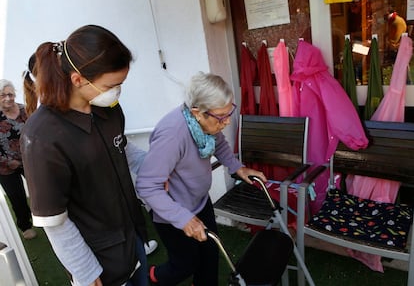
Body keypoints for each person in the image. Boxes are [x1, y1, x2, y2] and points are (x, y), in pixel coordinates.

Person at [20, 25, 149, 286]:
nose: (117, 92)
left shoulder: (108, 107)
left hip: (132, 237)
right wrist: (87, 273)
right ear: (78, 79)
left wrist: (158, 168)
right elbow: (55, 221)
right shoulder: (43, 136)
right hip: (97, 259)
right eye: (111, 85)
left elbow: (121, 147)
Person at [136, 72, 267, 286]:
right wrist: (183, 218)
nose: (225, 122)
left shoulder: (207, 124)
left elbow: (220, 144)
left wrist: (238, 168)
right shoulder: (173, 135)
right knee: (185, 264)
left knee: (209, 256)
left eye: (228, 113)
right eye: (221, 117)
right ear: (197, 112)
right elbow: (147, 186)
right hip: (173, 212)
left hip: (199, 201)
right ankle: (152, 277)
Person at [0, 79, 36, 240]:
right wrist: (8, 162)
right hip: (5, 167)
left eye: (10, 94)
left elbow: (36, 133)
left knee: (39, 189)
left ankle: (42, 216)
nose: (7, 98)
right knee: (17, 196)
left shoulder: (24, 110)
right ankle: (25, 225)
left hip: (29, 160)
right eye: (2, 95)